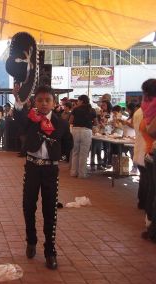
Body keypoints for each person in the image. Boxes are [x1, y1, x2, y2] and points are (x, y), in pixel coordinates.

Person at [20, 85, 73, 270]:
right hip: (32, 167)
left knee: (50, 210)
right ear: (35, 102)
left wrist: (59, 155)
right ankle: (31, 240)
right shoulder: (30, 120)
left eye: (47, 100)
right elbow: (18, 123)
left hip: (51, 171)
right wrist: (20, 101)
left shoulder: (62, 124)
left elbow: (68, 144)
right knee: (28, 206)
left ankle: (50, 251)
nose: (43, 103)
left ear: (54, 103)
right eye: (40, 100)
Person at [139, 79, 156, 242]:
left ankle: (150, 226)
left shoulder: (145, 107)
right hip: (152, 152)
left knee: (152, 191)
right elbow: (151, 130)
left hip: (149, 153)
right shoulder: (152, 107)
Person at [69, 95, 97, 178]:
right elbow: (95, 123)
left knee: (75, 152)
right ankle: (82, 174)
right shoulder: (92, 110)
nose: (77, 102)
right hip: (86, 131)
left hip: (75, 130)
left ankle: (73, 172)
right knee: (83, 154)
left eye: (78, 101)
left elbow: (70, 120)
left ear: (81, 101)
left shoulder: (75, 109)